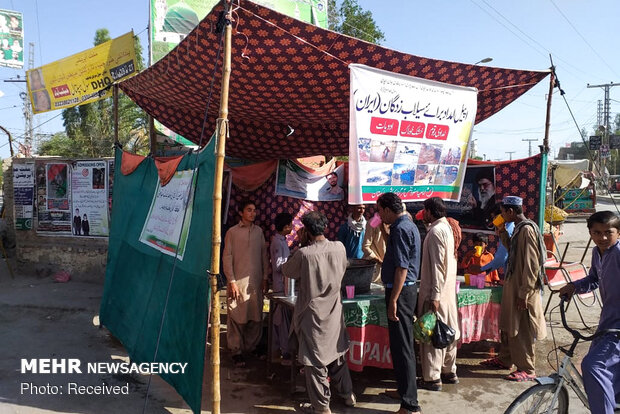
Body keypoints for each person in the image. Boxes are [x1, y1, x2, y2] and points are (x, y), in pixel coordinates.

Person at [282, 211, 355, 414]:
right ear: (324, 227)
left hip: (312, 315)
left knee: (315, 363)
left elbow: (287, 271)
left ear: (306, 230)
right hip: (333, 312)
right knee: (338, 355)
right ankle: (348, 395)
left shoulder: (304, 254)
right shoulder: (339, 248)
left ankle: (322, 407)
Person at [559, 211, 620, 414]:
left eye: (607, 232)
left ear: (618, 233)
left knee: (594, 366)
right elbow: (594, 278)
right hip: (607, 321)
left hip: (617, 326)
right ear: (590, 233)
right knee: (610, 376)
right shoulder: (597, 253)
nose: (602, 237)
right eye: (596, 232)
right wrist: (574, 286)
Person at [481, 196, 547, 382]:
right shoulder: (519, 229)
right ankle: (505, 359)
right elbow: (513, 250)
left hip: (522, 288)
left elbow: (532, 264)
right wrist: (502, 232)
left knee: (522, 328)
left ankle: (527, 368)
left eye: (503, 212)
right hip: (514, 284)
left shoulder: (526, 230)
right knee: (510, 326)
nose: (502, 215)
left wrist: (524, 293)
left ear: (510, 212)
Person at [376, 192, 422, 414]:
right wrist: (385, 233)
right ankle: (404, 390)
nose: (378, 215)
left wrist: (393, 299)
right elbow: (396, 255)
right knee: (399, 344)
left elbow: (402, 268)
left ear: (387, 209)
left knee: (403, 346)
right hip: (402, 290)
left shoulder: (402, 228)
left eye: (379, 211)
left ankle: (410, 404)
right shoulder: (402, 225)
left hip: (402, 292)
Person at [417, 197, 460, 391]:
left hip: (436, 292)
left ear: (430, 211)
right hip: (448, 290)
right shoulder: (447, 228)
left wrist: (434, 296)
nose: (423, 214)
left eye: (425, 210)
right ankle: (449, 371)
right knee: (448, 331)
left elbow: (437, 267)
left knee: (433, 335)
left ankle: (432, 378)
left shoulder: (435, 232)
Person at [222, 199, 269, 368]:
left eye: (254, 210)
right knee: (236, 316)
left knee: (255, 316)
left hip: (255, 283)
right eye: (249, 210)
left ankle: (251, 347)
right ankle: (236, 351)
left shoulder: (259, 232)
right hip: (237, 282)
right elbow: (227, 258)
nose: (253, 213)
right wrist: (232, 281)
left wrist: (265, 277)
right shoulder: (232, 233)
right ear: (241, 213)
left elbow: (264, 255)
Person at [270, 212, 293, 364]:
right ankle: (283, 349)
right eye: (290, 225)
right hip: (280, 285)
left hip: (285, 284)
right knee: (281, 319)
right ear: (285, 227)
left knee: (282, 318)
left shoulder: (282, 241)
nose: (291, 228)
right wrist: (291, 265)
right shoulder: (277, 243)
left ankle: (281, 347)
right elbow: (278, 265)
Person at [477, 207, 515, 278]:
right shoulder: (508, 227)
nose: (494, 221)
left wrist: (481, 269)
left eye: (495, 217)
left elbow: (501, 258)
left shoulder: (507, 230)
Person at [362, 215, 389, 283]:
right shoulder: (374, 221)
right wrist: (379, 261)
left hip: (387, 270)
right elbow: (365, 247)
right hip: (375, 269)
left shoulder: (395, 222)